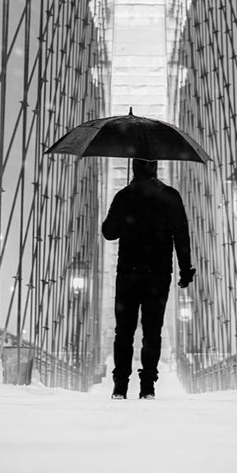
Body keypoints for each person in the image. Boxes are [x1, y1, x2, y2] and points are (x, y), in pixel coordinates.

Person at [101, 158, 195, 400]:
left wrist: (120, 212)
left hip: (128, 274)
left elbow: (109, 233)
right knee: (153, 331)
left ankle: (120, 386)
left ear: (133, 168)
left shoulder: (124, 196)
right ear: (155, 168)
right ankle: (148, 387)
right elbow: (181, 237)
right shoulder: (170, 196)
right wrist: (186, 271)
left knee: (124, 331)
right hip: (158, 275)